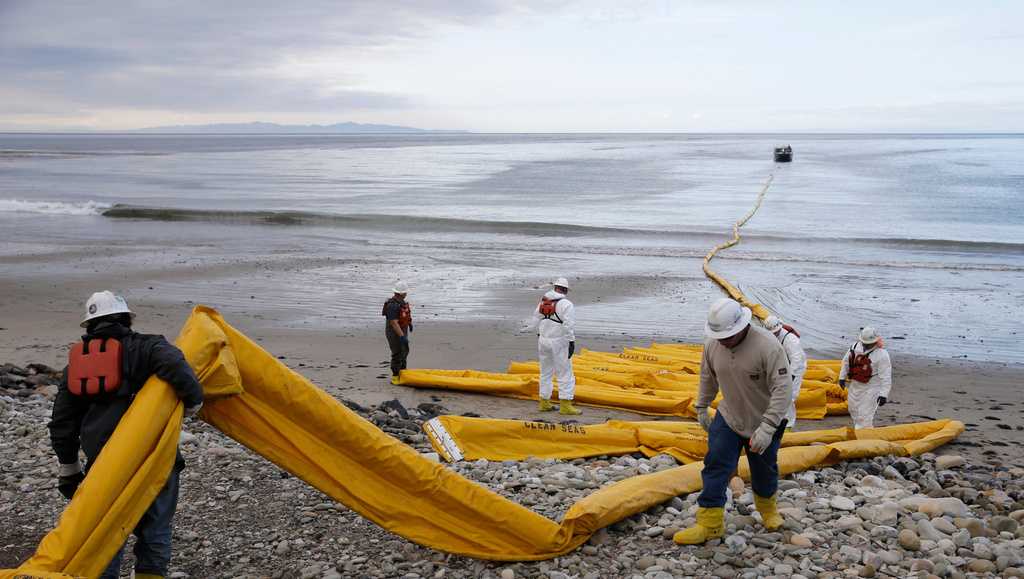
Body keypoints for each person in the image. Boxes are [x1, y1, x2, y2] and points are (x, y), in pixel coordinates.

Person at [49, 291, 204, 579]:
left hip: (104, 463)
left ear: (90, 325)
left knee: (106, 532)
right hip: (156, 456)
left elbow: (62, 421)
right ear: (127, 319)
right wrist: (194, 403)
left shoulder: (78, 365)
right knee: (155, 530)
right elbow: (177, 366)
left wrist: (69, 468)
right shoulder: (149, 347)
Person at [675, 298, 791, 545]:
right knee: (716, 464)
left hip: (764, 420)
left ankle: (768, 510)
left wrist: (768, 427)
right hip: (729, 416)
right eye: (720, 336)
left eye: (728, 336)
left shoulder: (768, 346)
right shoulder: (713, 344)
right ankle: (710, 524)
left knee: (764, 469)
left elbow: (783, 389)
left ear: (742, 326)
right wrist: (702, 406)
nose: (723, 341)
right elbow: (707, 377)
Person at [525, 277, 581, 415]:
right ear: (565, 290)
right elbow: (568, 325)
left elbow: (535, 320)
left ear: (555, 287)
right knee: (565, 373)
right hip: (559, 342)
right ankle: (565, 405)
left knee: (545, 372)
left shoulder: (543, 301)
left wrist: (537, 333)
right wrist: (571, 341)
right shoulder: (567, 304)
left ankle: (544, 403)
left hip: (543, 341)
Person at [839, 326, 892, 429]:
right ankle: (861, 430)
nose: (866, 345)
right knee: (853, 410)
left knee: (864, 416)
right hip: (855, 385)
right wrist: (842, 377)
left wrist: (883, 394)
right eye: (864, 343)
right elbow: (846, 362)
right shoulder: (855, 347)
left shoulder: (882, 355)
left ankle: (863, 434)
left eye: (869, 343)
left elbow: (886, 376)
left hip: (871, 388)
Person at [764, 315, 806, 429]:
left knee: (789, 396)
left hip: (796, 369)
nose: (774, 334)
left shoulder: (791, 340)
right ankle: (778, 418)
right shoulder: (771, 336)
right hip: (783, 366)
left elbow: (797, 359)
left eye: (775, 332)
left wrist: (791, 376)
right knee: (775, 393)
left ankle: (788, 424)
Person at [383, 281, 412, 385]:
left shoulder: (402, 303)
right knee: (397, 353)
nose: (406, 293)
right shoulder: (392, 305)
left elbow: (405, 315)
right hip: (394, 332)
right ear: (401, 293)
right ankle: (395, 376)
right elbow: (394, 323)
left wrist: (409, 323)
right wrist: (402, 336)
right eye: (405, 292)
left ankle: (403, 372)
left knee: (405, 351)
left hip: (402, 330)